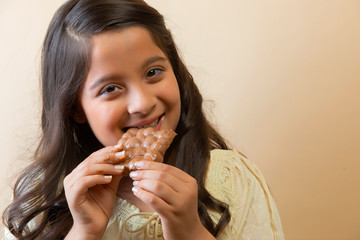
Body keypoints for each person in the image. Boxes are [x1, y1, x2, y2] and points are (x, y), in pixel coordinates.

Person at [2, 0, 284, 239]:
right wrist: (84, 231)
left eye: (153, 72)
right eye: (110, 88)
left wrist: (190, 231)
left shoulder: (231, 179)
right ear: (75, 107)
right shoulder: (43, 195)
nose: (143, 103)